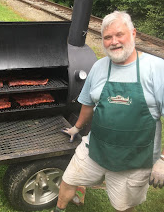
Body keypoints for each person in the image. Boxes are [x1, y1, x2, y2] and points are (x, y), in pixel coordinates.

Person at [53, 11, 164, 212]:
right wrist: (76, 128)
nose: (113, 42)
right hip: (95, 148)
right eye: (107, 37)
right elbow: (88, 104)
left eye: (119, 34)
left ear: (133, 33)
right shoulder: (99, 67)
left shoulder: (156, 68)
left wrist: (162, 160)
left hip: (135, 161)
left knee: (123, 206)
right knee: (68, 180)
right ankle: (58, 210)